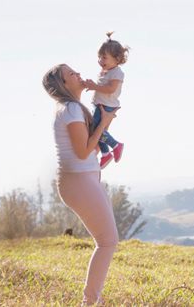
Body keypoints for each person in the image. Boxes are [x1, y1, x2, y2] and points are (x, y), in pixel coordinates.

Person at [43, 64, 119, 306]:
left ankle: (95, 300)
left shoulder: (70, 109)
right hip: (78, 183)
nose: (77, 74)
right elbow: (84, 149)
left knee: (106, 240)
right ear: (64, 85)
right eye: (71, 74)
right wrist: (104, 122)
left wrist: (102, 125)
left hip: (83, 180)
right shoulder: (72, 109)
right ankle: (90, 302)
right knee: (107, 241)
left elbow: (89, 150)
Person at [85, 31, 128, 169]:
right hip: (98, 104)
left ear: (117, 59)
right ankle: (105, 153)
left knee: (97, 130)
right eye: (99, 57)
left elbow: (110, 89)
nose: (101, 61)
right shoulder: (105, 72)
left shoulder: (117, 73)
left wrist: (94, 86)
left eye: (104, 58)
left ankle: (115, 145)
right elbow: (102, 87)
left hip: (106, 105)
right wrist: (93, 85)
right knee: (95, 130)